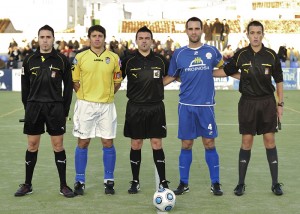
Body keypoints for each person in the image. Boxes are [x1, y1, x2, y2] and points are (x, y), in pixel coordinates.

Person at [163, 17, 225, 196]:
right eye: (190, 28)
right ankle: (184, 183)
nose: (194, 31)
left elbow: (224, 69)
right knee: (186, 144)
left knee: (209, 143)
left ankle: (215, 183)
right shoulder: (179, 54)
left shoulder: (212, 51)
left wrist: (244, 76)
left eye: (197, 28)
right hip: (186, 106)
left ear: (202, 30)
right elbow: (172, 76)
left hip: (206, 106)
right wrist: (152, 87)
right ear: (186, 31)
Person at [221, 20, 284, 196]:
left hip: (267, 102)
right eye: (252, 33)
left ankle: (275, 183)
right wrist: (242, 77)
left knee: (270, 141)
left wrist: (280, 104)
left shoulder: (271, 55)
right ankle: (240, 184)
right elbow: (227, 71)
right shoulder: (241, 55)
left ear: (262, 34)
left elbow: (279, 80)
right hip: (247, 103)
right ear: (247, 34)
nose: (255, 36)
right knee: (246, 142)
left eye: (258, 32)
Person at [15, 25, 74, 198]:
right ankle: (27, 184)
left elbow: (68, 88)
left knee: (58, 145)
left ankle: (63, 185)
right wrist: (28, 108)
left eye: (48, 37)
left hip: (55, 108)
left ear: (53, 39)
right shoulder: (29, 60)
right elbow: (25, 87)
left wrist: (64, 110)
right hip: (34, 108)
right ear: (38, 39)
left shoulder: (62, 60)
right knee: (32, 145)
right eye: (42, 37)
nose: (45, 40)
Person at [72, 25, 122, 196]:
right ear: (89, 38)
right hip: (85, 105)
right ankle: (80, 180)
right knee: (83, 142)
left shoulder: (114, 58)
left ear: (104, 38)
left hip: (107, 106)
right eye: (94, 36)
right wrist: (86, 96)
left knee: (108, 142)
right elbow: (75, 81)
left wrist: (106, 95)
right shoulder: (80, 57)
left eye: (100, 35)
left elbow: (117, 82)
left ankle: (109, 180)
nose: (97, 38)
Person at [121, 26, 170, 194]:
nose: (143, 41)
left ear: (151, 40)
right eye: (140, 38)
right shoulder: (128, 60)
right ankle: (135, 181)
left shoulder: (161, 60)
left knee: (157, 143)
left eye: (146, 38)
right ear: (136, 41)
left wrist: (159, 85)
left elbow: (172, 75)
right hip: (135, 107)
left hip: (156, 107)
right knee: (136, 144)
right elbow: (116, 78)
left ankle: (163, 180)